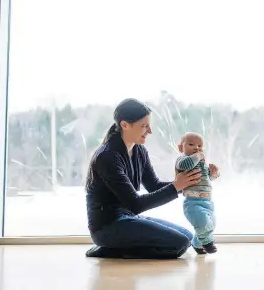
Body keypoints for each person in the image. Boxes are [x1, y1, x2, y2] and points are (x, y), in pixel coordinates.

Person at [84, 98, 202, 259]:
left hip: (128, 218)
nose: (150, 131)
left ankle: (116, 247)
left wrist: (191, 183)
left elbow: (154, 185)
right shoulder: (107, 157)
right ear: (125, 125)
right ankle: (111, 249)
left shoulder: (139, 151)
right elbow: (135, 204)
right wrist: (176, 186)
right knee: (179, 244)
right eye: (144, 126)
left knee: (187, 237)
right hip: (106, 227)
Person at [175, 132, 220, 254]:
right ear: (181, 148)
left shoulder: (202, 163)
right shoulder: (182, 160)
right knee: (203, 222)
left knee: (211, 223)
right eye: (191, 144)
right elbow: (187, 164)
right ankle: (207, 242)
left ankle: (197, 244)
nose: (197, 148)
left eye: (200, 146)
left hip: (207, 202)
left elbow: (207, 178)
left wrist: (214, 173)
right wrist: (198, 156)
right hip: (192, 202)